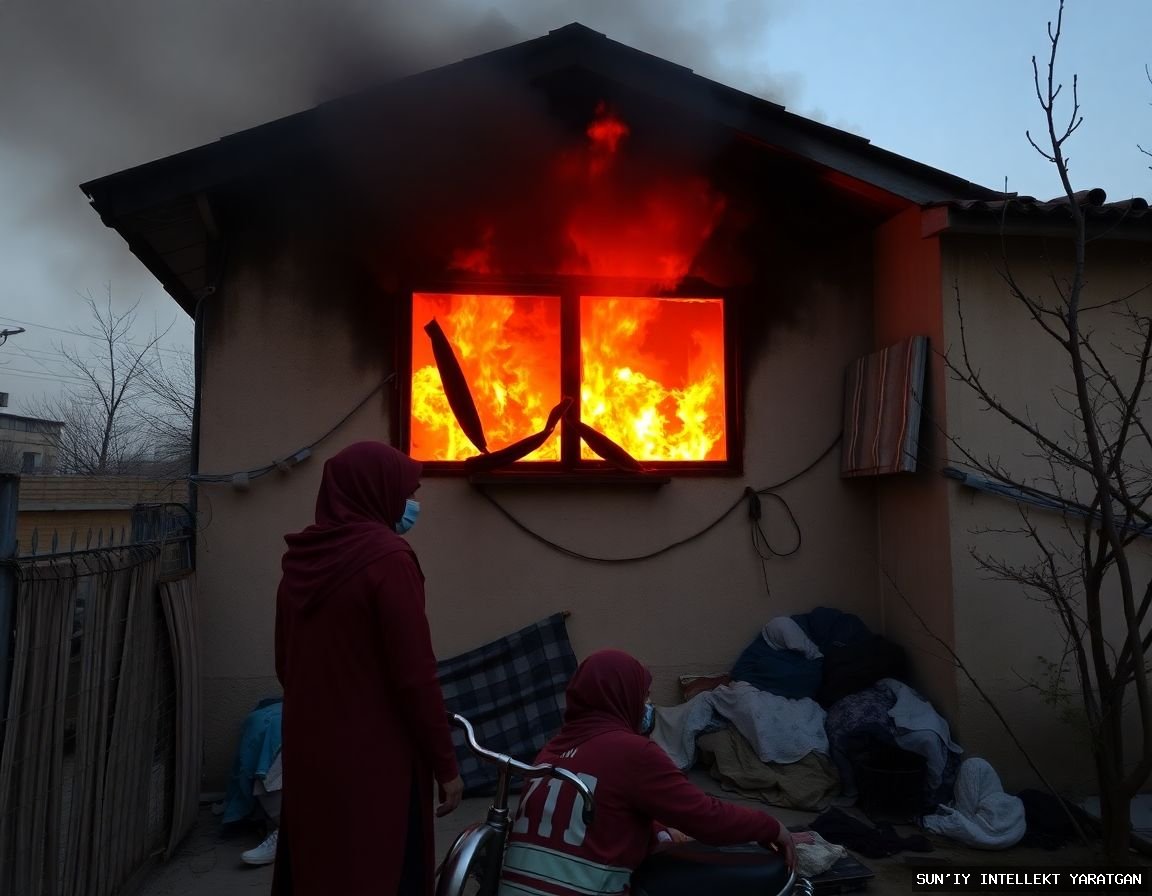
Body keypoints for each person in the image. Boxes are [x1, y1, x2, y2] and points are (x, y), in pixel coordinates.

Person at [271, 441, 464, 896]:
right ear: (375, 491)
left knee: (318, 865)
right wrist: (446, 766)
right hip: (377, 764)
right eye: (406, 492)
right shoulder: (388, 560)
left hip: (309, 752)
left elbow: (285, 664)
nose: (410, 503)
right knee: (381, 866)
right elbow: (416, 676)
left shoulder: (301, 561)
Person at [498, 649, 795, 896]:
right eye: (644, 697)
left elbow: (596, 817)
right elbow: (707, 818)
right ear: (622, 697)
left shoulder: (550, 750)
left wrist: (660, 830)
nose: (647, 706)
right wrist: (771, 826)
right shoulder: (632, 751)